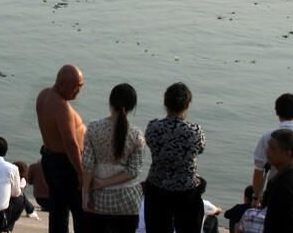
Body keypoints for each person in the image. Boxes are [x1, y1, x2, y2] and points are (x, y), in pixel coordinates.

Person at [81, 83, 144, 233]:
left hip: (99, 202)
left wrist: (85, 194)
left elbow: (87, 165)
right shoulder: (136, 135)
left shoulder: (94, 128)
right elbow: (133, 171)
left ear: (110, 102)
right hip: (128, 202)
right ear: (132, 107)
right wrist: (104, 183)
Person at [143, 82, 206, 233]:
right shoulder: (195, 132)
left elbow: (149, 143)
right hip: (187, 190)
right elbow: (201, 149)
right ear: (187, 105)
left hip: (158, 187)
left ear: (165, 103)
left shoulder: (153, 127)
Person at [36, 64, 86, 233]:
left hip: (50, 159)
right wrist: (81, 172)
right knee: (80, 210)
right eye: (75, 87)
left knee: (58, 209)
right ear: (62, 84)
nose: (78, 92)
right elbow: (70, 143)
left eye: (80, 87)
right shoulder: (61, 107)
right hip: (65, 164)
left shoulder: (43, 96)